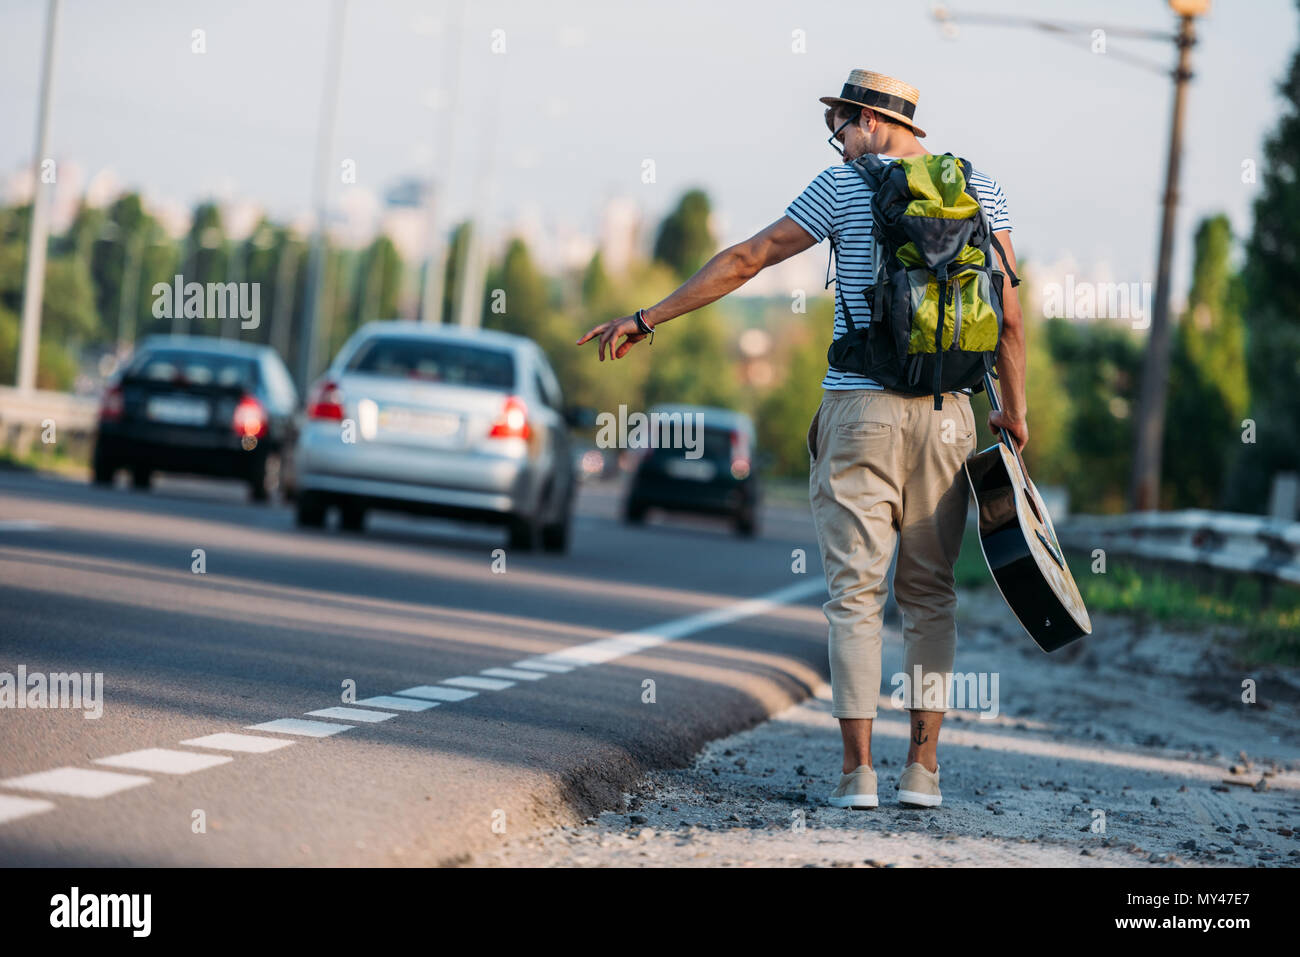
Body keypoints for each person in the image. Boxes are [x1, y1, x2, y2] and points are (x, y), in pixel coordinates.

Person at [576, 69, 1027, 810]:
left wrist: (648, 317)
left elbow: (748, 257)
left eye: (840, 128)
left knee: (855, 595)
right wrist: (1014, 410)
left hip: (860, 409)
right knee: (931, 596)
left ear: (869, 120)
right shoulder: (982, 189)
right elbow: (1009, 315)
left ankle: (858, 776)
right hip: (950, 413)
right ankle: (924, 773)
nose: (838, 143)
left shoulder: (844, 186)